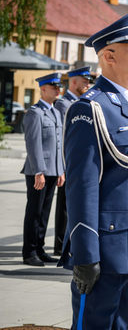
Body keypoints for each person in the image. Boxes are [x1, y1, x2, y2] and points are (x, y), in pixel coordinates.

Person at [59, 13, 128, 329]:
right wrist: (85, 254)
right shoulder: (89, 108)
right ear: (108, 55)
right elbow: (82, 186)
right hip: (105, 249)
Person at [21, 73, 65, 266]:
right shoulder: (34, 112)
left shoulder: (55, 112)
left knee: (45, 212)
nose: (57, 90)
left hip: (53, 170)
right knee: (34, 211)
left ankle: (40, 248)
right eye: (54, 87)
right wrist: (39, 170)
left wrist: (61, 170)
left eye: (58, 87)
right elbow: (33, 144)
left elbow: (59, 144)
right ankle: (29, 251)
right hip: (38, 171)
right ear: (43, 89)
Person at [53, 66, 92, 256]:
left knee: (75, 204)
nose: (87, 84)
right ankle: (60, 244)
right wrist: (62, 166)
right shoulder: (63, 104)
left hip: (80, 162)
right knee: (64, 206)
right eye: (84, 81)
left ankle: (69, 242)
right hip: (69, 162)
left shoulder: (83, 102)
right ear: (73, 81)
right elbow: (62, 138)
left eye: (88, 81)